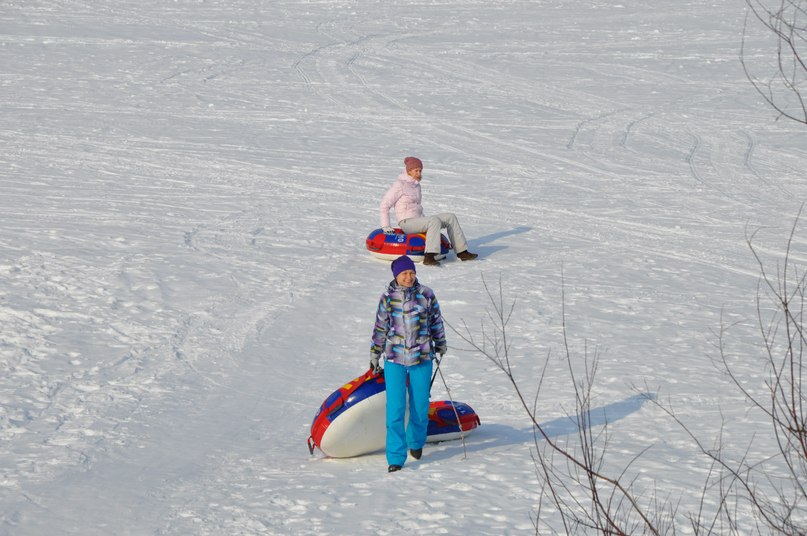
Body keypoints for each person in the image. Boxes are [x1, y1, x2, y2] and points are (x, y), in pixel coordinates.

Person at [370, 255, 447, 472]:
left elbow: (436, 322)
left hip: (422, 357)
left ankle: (415, 442)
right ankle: (395, 456)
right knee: (395, 409)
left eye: (412, 273)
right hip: (394, 358)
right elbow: (380, 328)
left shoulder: (426, 295)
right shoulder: (387, 297)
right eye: (404, 273)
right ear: (396, 275)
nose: (409, 277)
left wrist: (440, 344)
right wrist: (375, 353)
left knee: (420, 406)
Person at [379, 156, 478, 266]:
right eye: (416, 171)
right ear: (409, 171)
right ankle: (429, 256)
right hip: (406, 222)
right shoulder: (399, 185)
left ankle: (462, 252)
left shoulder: (416, 186)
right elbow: (384, 205)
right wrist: (386, 226)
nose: (419, 173)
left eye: (420, 170)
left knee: (450, 217)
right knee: (434, 221)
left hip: (418, 221)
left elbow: (417, 208)